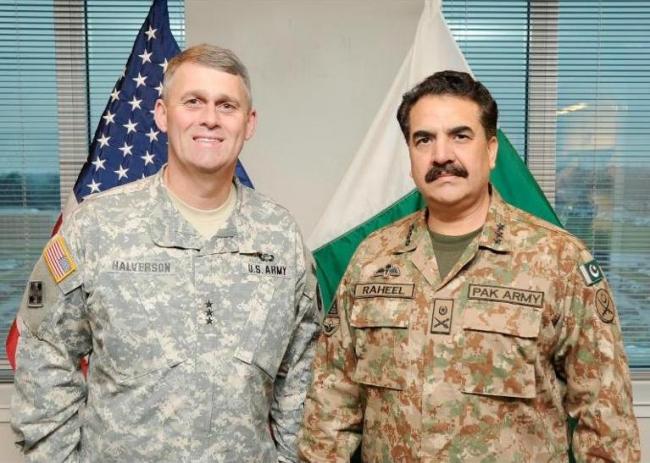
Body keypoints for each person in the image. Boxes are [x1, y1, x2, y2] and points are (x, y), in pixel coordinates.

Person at [298, 70, 640, 462]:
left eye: (460, 136)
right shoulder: (372, 258)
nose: (441, 155)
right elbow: (331, 407)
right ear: (410, 156)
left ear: (491, 151)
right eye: (424, 139)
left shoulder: (559, 260)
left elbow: (607, 425)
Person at [11, 44, 320, 462]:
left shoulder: (280, 237)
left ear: (249, 123)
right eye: (193, 101)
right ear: (161, 113)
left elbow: (302, 378)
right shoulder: (95, 227)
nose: (210, 118)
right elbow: (43, 352)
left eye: (226, 105)